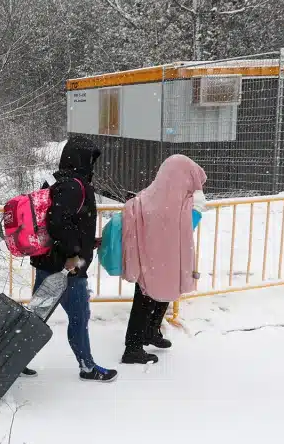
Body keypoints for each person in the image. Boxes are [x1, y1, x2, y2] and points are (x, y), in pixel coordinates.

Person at [29, 136, 118, 382]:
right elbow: (59, 222)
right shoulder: (75, 186)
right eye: (91, 159)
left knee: (35, 318)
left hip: (50, 262)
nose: (93, 164)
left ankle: (8, 358)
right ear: (82, 159)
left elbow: (66, 223)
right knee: (78, 318)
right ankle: (87, 366)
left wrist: (89, 242)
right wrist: (73, 254)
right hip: (68, 268)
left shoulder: (60, 182)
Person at [121, 154, 207, 364]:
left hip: (154, 259)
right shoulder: (180, 205)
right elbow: (190, 225)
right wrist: (196, 209)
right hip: (156, 259)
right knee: (145, 300)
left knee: (164, 292)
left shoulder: (150, 196)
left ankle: (150, 331)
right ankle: (132, 348)